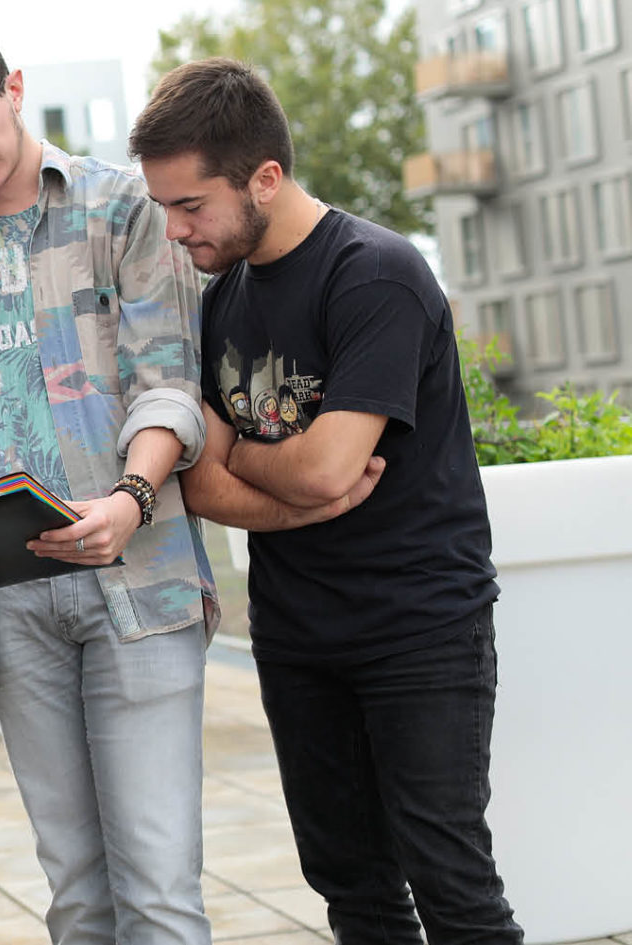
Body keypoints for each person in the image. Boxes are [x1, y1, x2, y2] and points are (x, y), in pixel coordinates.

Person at [130, 57, 522, 945]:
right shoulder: (218, 298)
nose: (175, 229)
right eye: (164, 207)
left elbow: (324, 468)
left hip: (418, 628)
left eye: (191, 205)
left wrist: (280, 466)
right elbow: (206, 478)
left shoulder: (375, 276)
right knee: (352, 887)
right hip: (298, 635)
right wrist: (305, 486)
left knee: (452, 880)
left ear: (264, 177)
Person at [0, 7, 221, 943]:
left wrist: (131, 497)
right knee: (75, 890)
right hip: (9, 600)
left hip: (135, 580)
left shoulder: (123, 210)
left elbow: (170, 388)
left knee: (156, 883)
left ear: (12, 88)